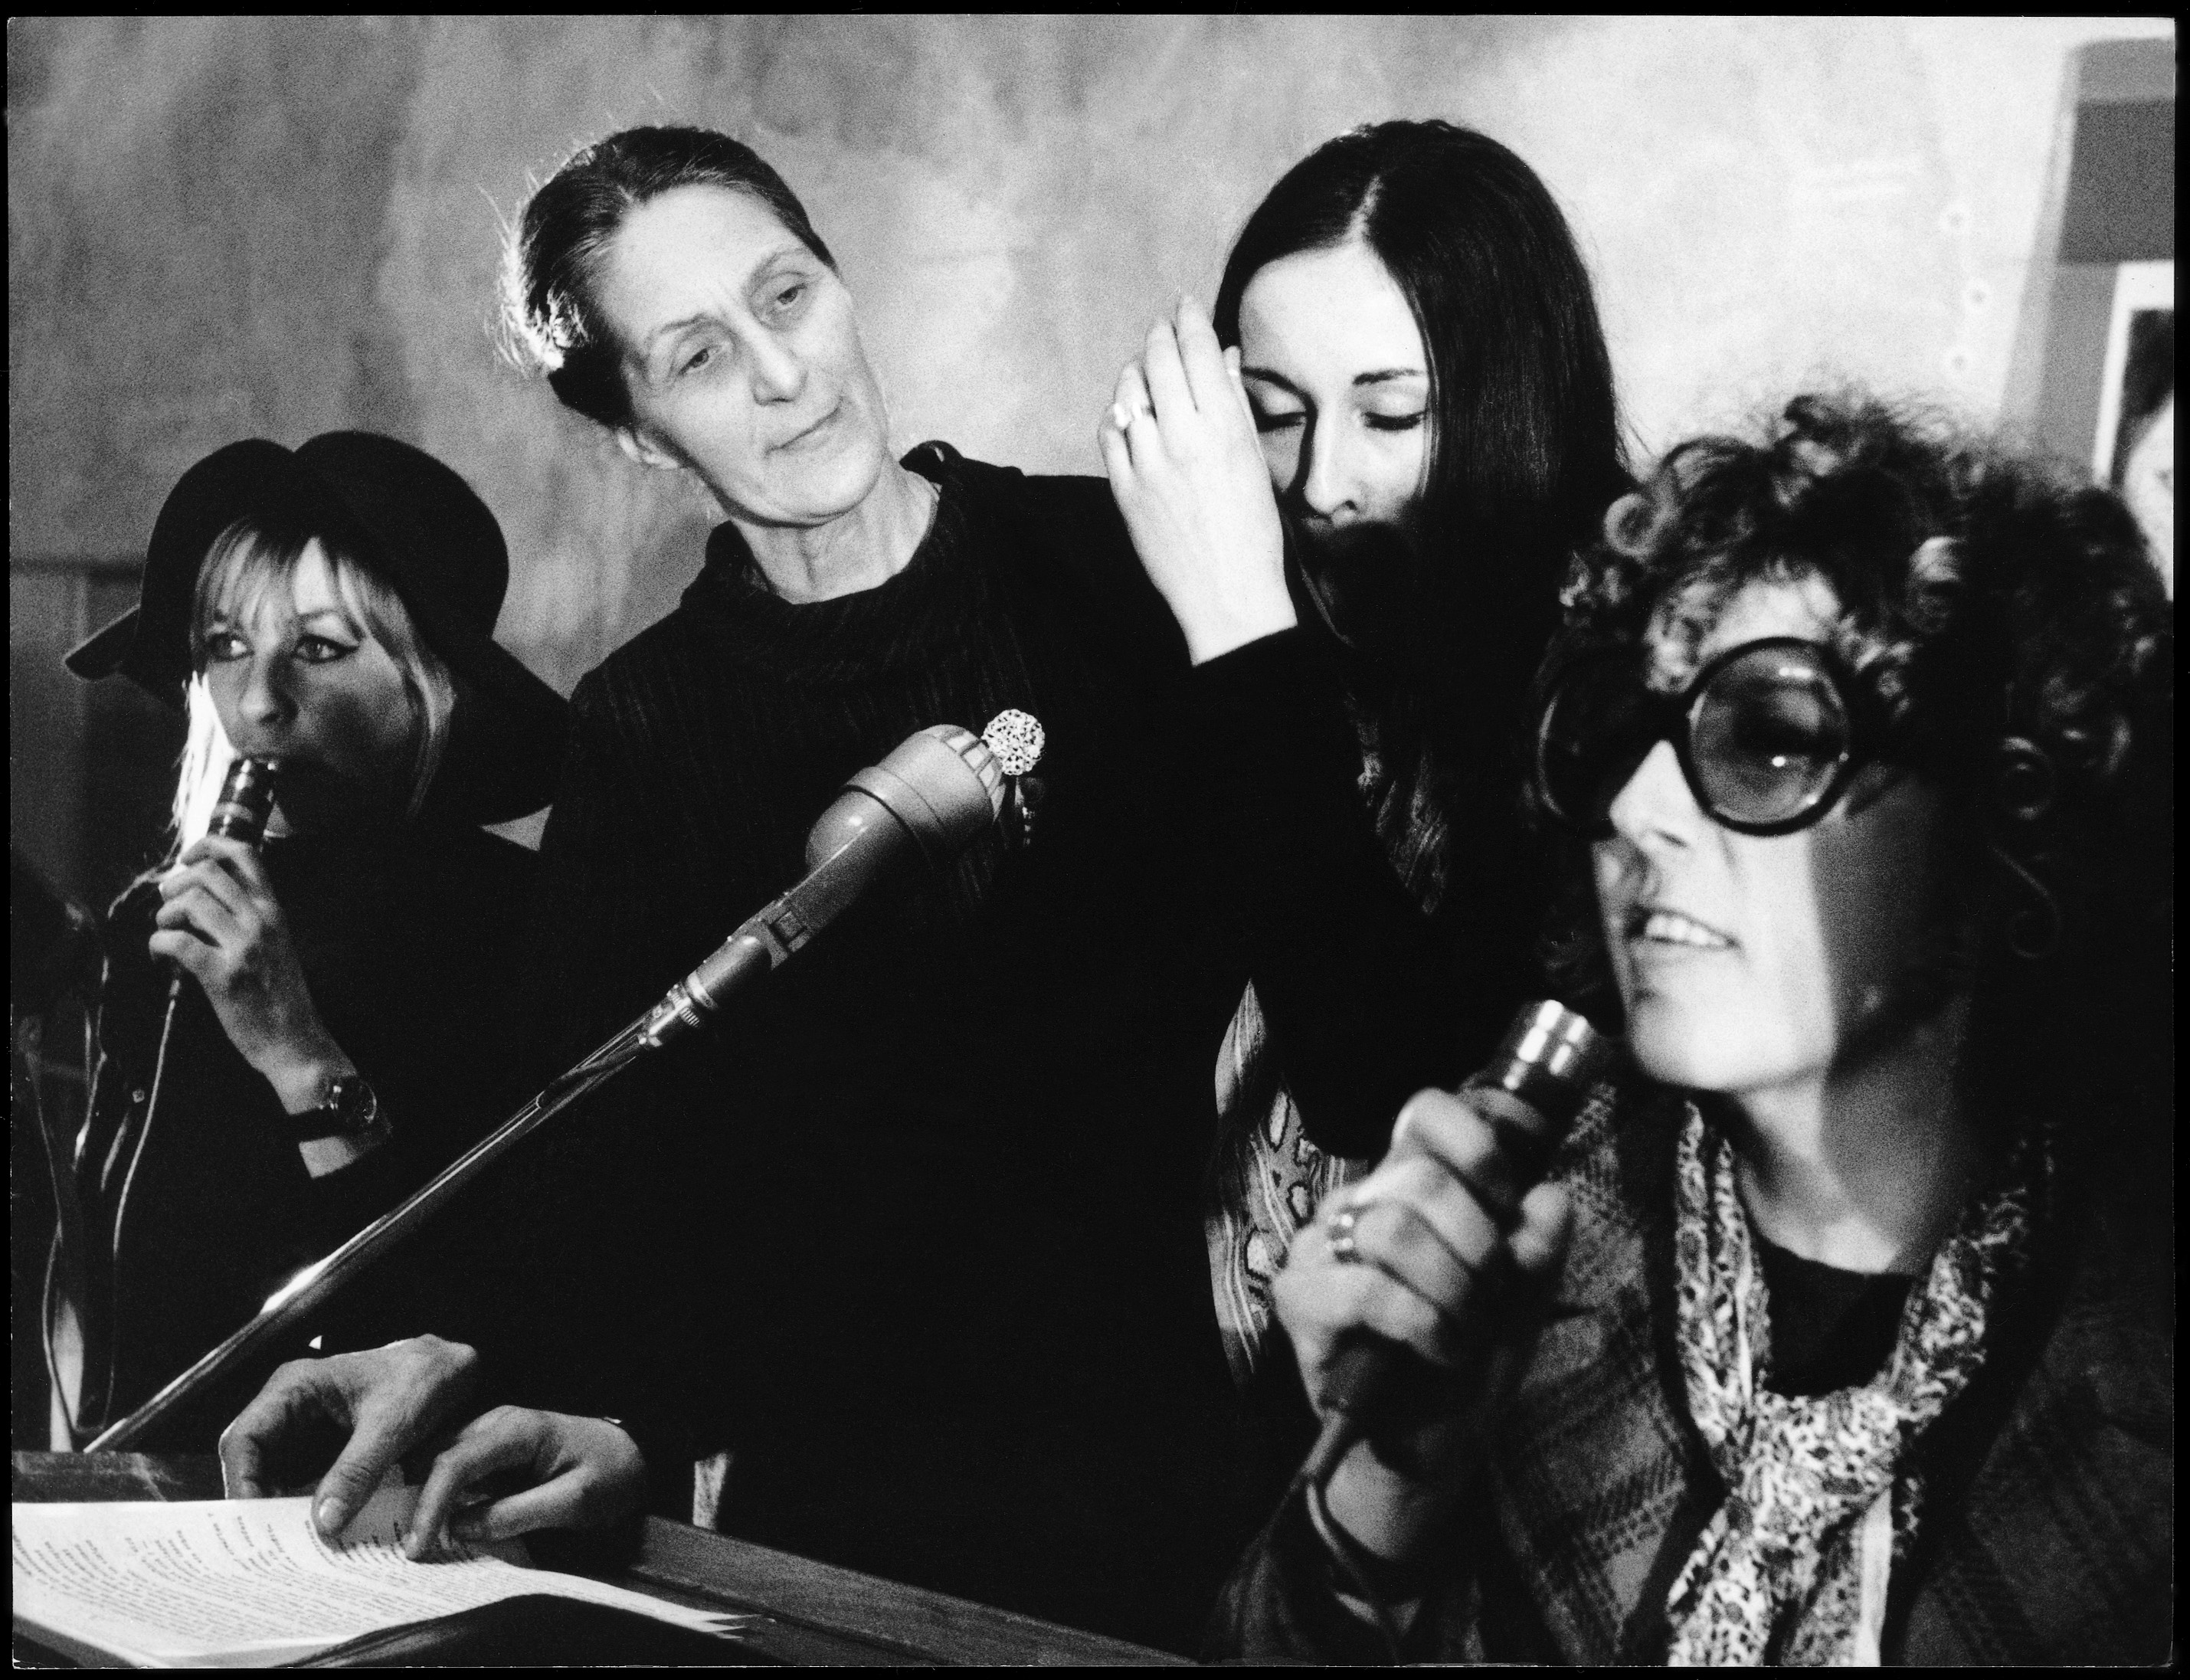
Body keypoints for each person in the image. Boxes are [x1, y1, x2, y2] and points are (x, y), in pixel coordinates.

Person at [216, 126, 1459, 1654]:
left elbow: (1371, 1049)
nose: (782, 372)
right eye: (695, 352)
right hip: (841, 1536)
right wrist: (566, 1392)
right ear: (634, 428)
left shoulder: (1125, 562)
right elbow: (615, 1212)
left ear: (842, 284)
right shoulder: (645, 728)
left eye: (786, 296)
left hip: (1197, 1494)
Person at [1210, 391, 2175, 1664]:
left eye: (1769, 736)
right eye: (1625, 734)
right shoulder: (1540, 1230)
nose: (1639, 807)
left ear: (2002, 815)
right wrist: (1393, 1472)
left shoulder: (2133, 1361)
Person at [1100, 120, 1628, 1400]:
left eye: (1393, 412)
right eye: (1274, 418)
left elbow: (1388, 1080)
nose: (1322, 480)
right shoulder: (1280, 609)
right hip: (1245, 1406)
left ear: (1512, 395)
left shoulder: (1617, 666)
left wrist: (1236, 626)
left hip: (1493, 1406)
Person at [54, 433, 568, 1450]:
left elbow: (477, 1326)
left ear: (436, 686)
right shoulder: (149, 926)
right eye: (225, 643)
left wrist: (296, 1048)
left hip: (350, 1520)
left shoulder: (523, 926)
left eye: (321, 648)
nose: (259, 700)